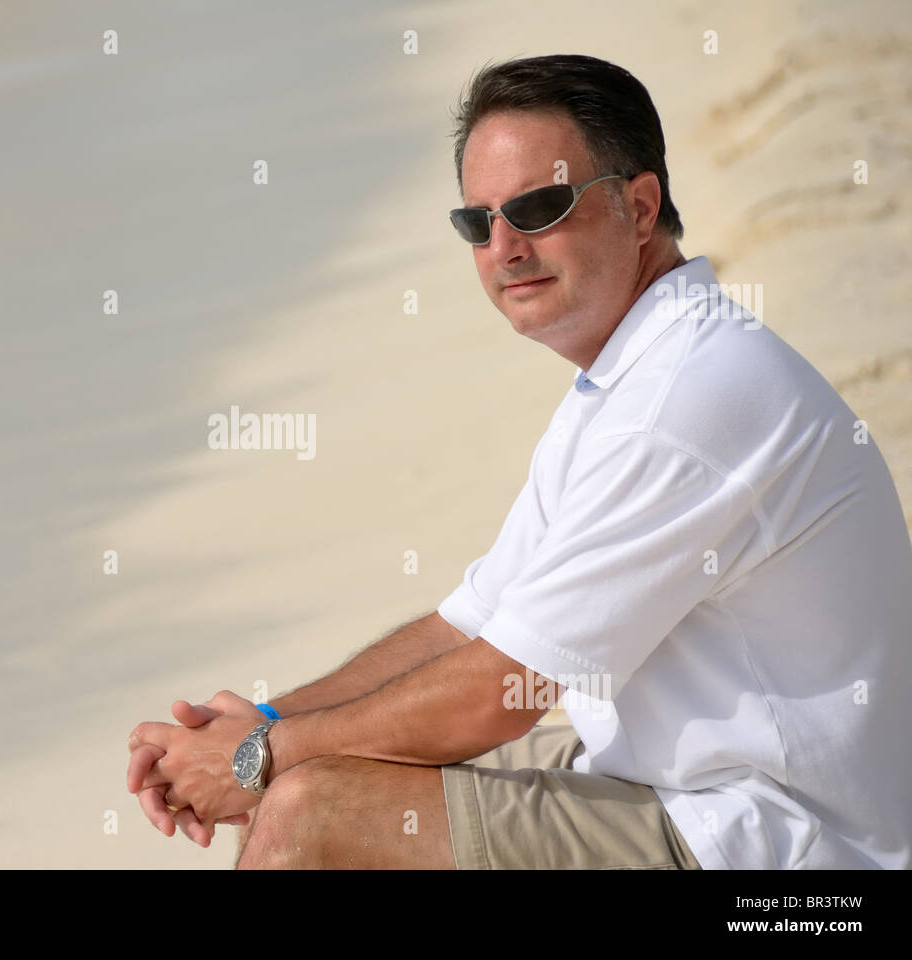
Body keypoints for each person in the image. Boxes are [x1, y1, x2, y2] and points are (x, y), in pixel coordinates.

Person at [125, 54, 912, 869]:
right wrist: (262, 726)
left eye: (540, 208)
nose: (504, 248)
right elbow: (467, 627)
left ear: (640, 208)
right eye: (478, 222)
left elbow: (505, 696)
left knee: (310, 808)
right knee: (323, 771)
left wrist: (261, 760)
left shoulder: (681, 403)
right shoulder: (629, 377)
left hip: (795, 858)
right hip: (688, 797)